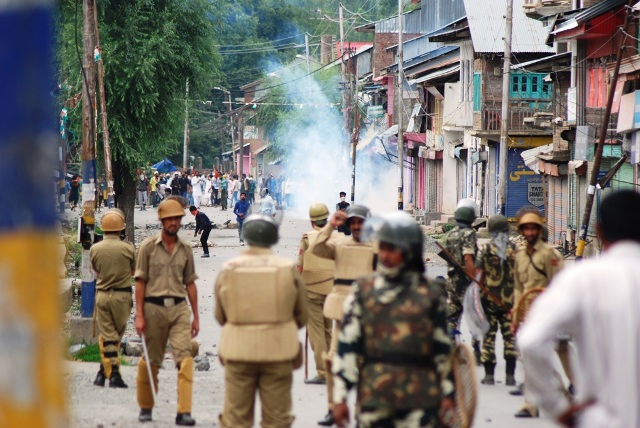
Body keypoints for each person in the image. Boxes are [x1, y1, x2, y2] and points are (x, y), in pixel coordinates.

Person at [518, 190, 640, 428]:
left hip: (600, 418)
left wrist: (556, 407)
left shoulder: (581, 277)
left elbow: (530, 341)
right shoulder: (523, 255)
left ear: (599, 231)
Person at [332, 212, 455, 428]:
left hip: (420, 403)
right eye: (383, 248)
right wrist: (340, 397)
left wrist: (448, 395)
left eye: (393, 249)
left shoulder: (430, 295)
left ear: (410, 251)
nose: (386, 256)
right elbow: (348, 347)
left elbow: (442, 351)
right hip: (374, 400)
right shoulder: (363, 292)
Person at [215, 214, 308, 427]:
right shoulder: (287, 269)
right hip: (278, 352)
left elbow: (221, 316)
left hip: (238, 352)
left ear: (246, 236)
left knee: (236, 418)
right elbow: (302, 316)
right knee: (277, 419)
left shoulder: (229, 268)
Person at [134, 198, 200, 426]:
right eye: (169, 219)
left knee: (185, 358)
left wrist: (196, 317)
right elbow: (140, 282)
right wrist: (140, 315)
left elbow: (190, 283)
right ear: (162, 220)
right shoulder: (147, 248)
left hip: (179, 309)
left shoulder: (186, 250)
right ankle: (146, 405)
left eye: (177, 218)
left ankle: (184, 411)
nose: (173, 223)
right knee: (150, 361)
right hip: (153, 308)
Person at [312, 205, 376, 426]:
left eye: (361, 222)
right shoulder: (339, 243)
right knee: (332, 360)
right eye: (353, 222)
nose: (357, 226)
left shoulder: (377, 246)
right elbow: (317, 248)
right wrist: (331, 225)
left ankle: (361, 408)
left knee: (365, 363)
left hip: (368, 312)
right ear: (349, 225)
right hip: (341, 311)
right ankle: (333, 407)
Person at [511, 210, 568, 419]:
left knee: (561, 349)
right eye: (526, 228)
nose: (529, 232)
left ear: (539, 230)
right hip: (527, 313)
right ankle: (530, 404)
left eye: (533, 228)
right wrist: (516, 315)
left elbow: (558, 285)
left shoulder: (550, 255)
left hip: (549, 312)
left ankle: (575, 389)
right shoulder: (519, 256)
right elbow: (518, 288)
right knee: (530, 355)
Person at [90, 209, 135, 388]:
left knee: (107, 335)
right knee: (115, 336)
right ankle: (114, 373)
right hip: (122, 296)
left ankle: (102, 371)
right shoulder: (128, 248)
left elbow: (96, 271)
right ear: (121, 229)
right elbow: (134, 271)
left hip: (102, 295)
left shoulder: (95, 249)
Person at [297, 203, 337, 385]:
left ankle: (322, 372)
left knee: (316, 333)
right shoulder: (338, 237)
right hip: (332, 290)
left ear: (312, 220)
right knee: (328, 331)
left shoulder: (307, 238)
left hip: (311, 291)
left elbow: (300, 266)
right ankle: (332, 368)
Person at [475, 214, 517, 386]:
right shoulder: (514, 249)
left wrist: (477, 295)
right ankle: (509, 376)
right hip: (510, 303)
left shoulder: (485, 250)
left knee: (488, 338)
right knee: (510, 339)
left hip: (489, 301)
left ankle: (489, 375)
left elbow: (479, 276)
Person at [444, 200, 479, 360]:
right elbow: (468, 257)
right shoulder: (469, 234)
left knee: (452, 316)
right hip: (465, 282)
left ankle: (451, 350)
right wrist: (474, 280)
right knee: (474, 316)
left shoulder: (450, 235)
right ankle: (477, 351)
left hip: (451, 280)